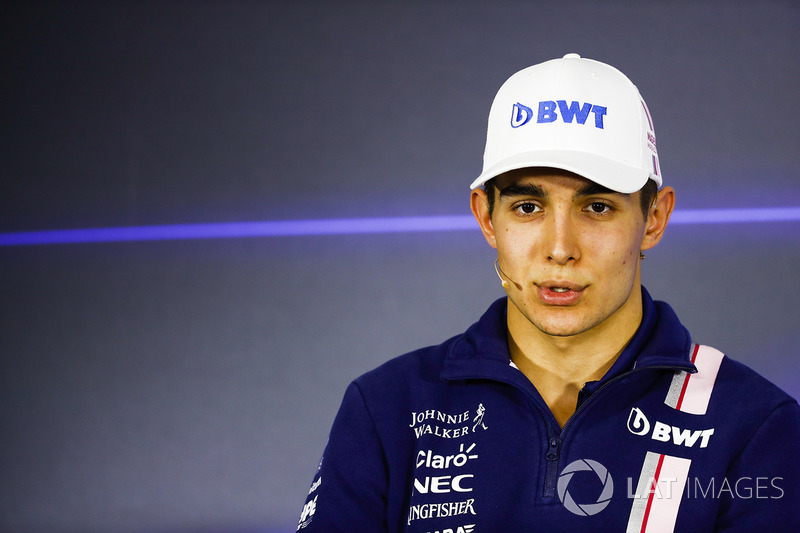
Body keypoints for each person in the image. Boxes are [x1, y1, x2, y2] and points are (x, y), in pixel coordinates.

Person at [296, 54, 800, 532]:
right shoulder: (386, 407)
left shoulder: (757, 426)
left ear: (654, 218)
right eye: (527, 208)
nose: (560, 249)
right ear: (485, 216)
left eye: (597, 207)